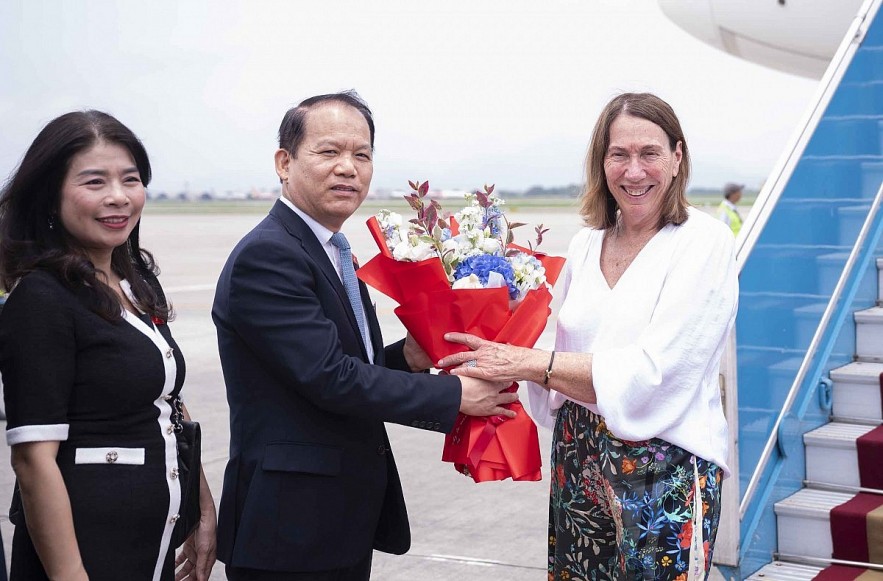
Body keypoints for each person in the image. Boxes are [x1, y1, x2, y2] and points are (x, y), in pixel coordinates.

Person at [212, 90, 517, 581]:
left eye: (362, 155)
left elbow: (350, 366)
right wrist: (457, 393)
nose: (348, 168)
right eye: (329, 152)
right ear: (284, 163)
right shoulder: (269, 256)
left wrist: (413, 357)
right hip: (290, 529)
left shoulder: (330, 249)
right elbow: (330, 378)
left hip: (335, 519)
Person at [439, 92, 738, 580]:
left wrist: (526, 362)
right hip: (577, 451)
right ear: (601, 163)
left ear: (678, 157)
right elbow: (561, 346)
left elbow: (656, 372)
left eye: (650, 153)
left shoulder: (703, 243)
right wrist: (490, 313)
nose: (633, 171)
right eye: (619, 154)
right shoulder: (585, 244)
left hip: (660, 462)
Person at [0, 111, 217, 580]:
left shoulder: (134, 282)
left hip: (149, 545)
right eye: (94, 182)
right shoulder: (41, 297)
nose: (118, 197)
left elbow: (167, 405)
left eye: (130, 180)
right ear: (50, 195)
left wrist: (200, 511)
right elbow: (33, 459)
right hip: (89, 555)